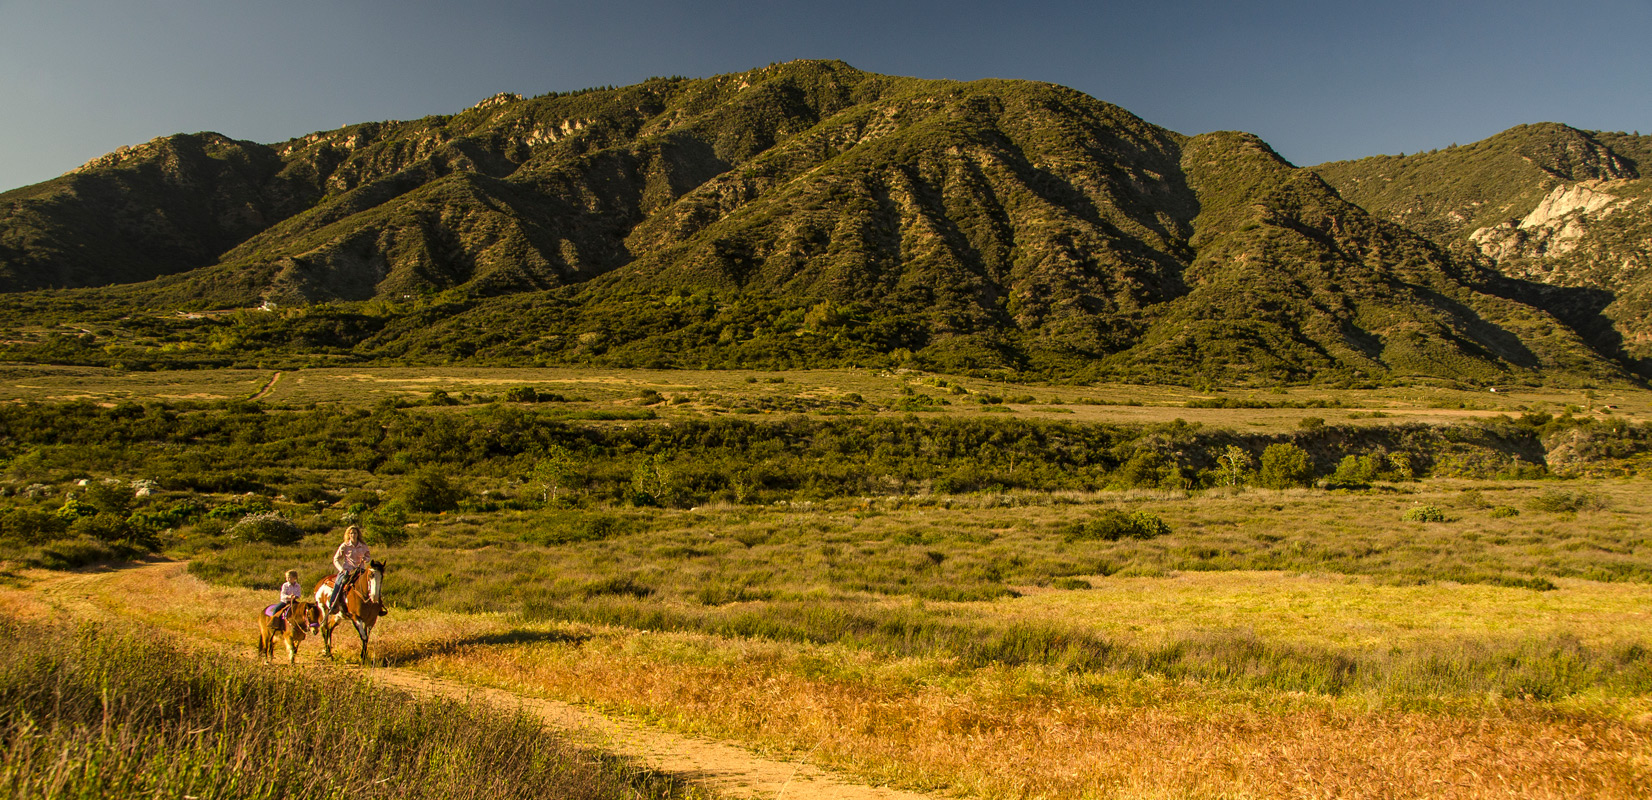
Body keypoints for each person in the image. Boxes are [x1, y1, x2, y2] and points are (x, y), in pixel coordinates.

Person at [325, 525, 371, 615]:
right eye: (351, 533)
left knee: (372, 582)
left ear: (358, 534)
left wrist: (365, 559)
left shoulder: (363, 546)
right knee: (339, 584)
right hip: (348, 570)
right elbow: (336, 559)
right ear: (348, 535)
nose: (353, 535)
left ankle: (376, 606)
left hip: (360, 570)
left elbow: (368, 557)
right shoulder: (345, 545)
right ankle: (333, 604)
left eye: (355, 533)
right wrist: (341, 569)